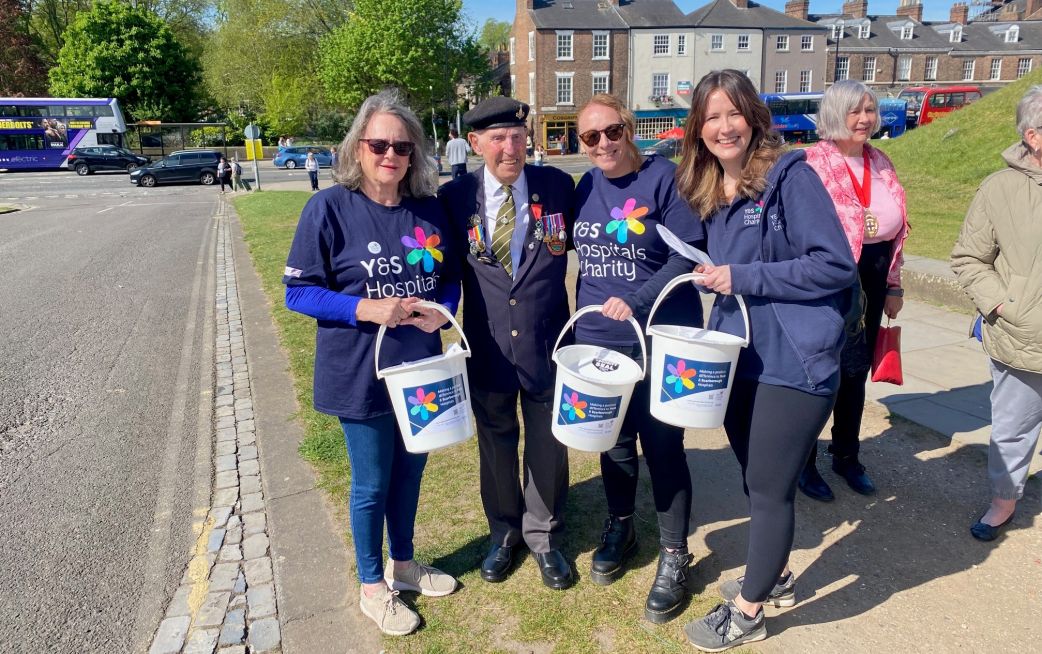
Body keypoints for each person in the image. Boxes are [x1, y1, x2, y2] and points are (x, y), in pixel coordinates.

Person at [675, 70, 856, 651]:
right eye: (711, 117)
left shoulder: (790, 178)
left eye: (734, 113)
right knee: (756, 478)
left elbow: (835, 265)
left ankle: (748, 612)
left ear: (754, 118)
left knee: (771, 486)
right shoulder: (712, 191)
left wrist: (743, 276)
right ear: (698, 129)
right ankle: (773, 574)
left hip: (795, 360)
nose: (724, 127)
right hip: (738, 358)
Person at [282, 90, 460, 636]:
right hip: (359, 372)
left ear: (414, 153)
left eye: (402, 147)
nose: (391, 155)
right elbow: (298, 293)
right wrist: (366, 307)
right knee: (372, 482)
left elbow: (450, 279)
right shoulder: (328, 208)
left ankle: (402, 565)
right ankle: (370, 585)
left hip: (419, 369)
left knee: (410, 473)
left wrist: (441, 312)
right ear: (358, 147)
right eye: (379, 144)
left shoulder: (429, 209)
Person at [574, 93, 705, 623]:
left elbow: (686, 254)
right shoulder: (586, 187)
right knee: (613, 439)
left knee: (663, 443)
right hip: (600, 337)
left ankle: (675, 554)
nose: (603, 143)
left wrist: (636, 298)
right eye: (591, 136)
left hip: (659, 335)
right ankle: (622, 526)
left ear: (629, 129)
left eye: (613, 131)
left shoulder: (664, 180)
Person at [438, 96, 576, 590]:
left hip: (547, 341)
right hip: (489, 345)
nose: (510, 148)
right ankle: (504, 532)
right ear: (475, 144)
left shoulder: (558, 187)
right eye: (498, 138)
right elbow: (441, 267)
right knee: (496, 443)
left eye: (517, 137)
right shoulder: (454, 198)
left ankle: (544, 536)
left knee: (547, 441)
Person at [797, 80, 910, 502]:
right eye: (855, 110)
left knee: (855, 372)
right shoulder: (811, 163)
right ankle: (804, 461)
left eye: (870, 110)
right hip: (828, 279)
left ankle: (846, 455)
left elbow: (897, 228)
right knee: (819, 371)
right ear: (834, 113)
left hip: (874, 275)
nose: (865, 119)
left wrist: (894, 284)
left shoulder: (880, 160)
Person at [951, 85, 1042, 543]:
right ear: (1033, 136)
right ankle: (1003, 502)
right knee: (1013, 428)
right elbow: (969, 258)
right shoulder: (999, 189)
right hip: (1023, 335)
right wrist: (1006, 306)